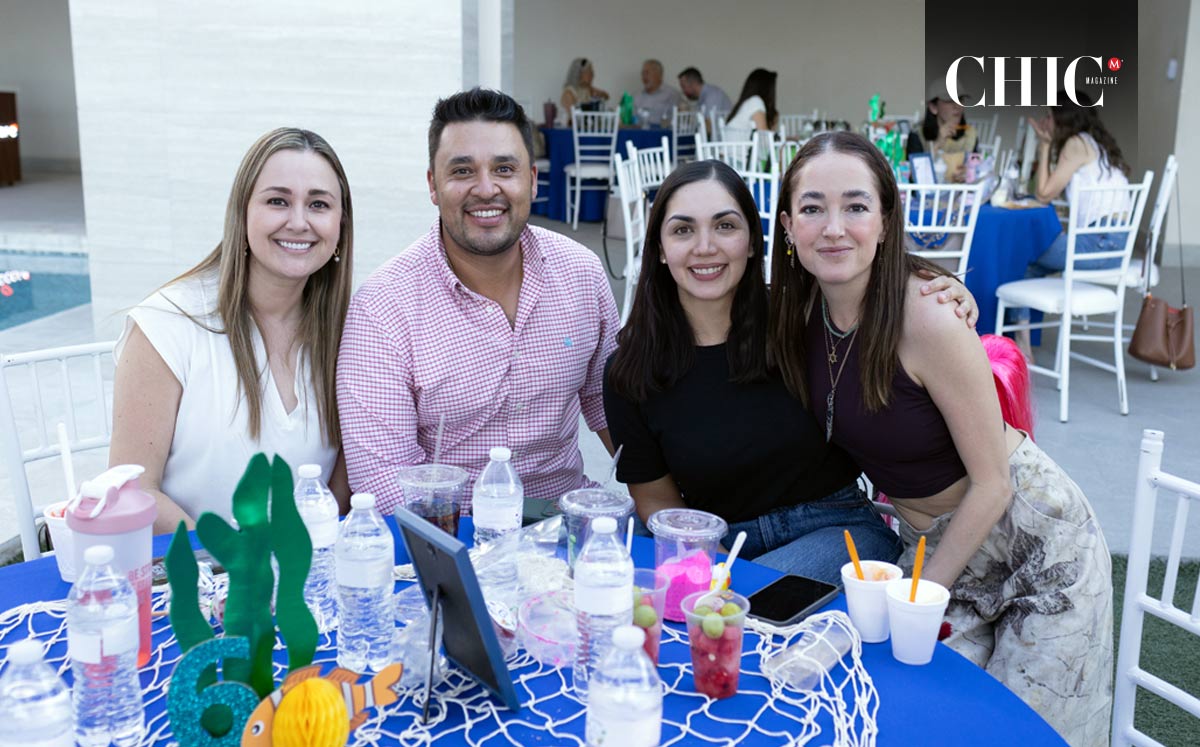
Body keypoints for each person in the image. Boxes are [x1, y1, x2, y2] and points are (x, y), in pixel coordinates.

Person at [768, 131, 1112, 746]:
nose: (834, 228)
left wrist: (917, 594)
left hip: (1037, 546)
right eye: (813, 208)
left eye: (855, 206)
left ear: (885, 220)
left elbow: (993, 484)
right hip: (931, 545)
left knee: (1020, 734)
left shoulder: (926, 313)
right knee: (905, 715)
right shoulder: (798, 315)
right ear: (789, 226)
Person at [603, 160, 979, 585]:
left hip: (835, 528)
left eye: (725, 226)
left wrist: (945, 291)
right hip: (716, 534)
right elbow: (656, 500)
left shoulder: (801, 318)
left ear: (751, 242)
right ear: (659, 248)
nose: (705, 247)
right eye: (683, 230)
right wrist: (717, 566)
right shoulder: (631, 370)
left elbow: (872, 280)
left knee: (746, 603)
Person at [337, 89, 619, 514]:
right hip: (450, 534)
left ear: (532, 180)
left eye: (504, 169)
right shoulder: (384, 307)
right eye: (462, 171)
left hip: (566, 525)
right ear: (433, 185)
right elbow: (385, 482)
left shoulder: (581, 273)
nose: (486, 189)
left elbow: (608, 403)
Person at [110, 128, 353, 534]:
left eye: (318, 204)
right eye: (277, 201)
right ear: (241, 213)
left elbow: (343, 485)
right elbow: (132, 489)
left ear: (340, 225)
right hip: (193, 565)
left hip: (306, 564)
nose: (299, 222)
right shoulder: (167, 323)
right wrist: (232, 558)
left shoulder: (351, 330)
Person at [1012, 91, 1133, 358]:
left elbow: (1043, 194)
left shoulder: (1076, 143)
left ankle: (1021, 343)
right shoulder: (1094, 143)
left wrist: (1044, 146)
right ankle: (1023, 341)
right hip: (1111, 243)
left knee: (1019, 256)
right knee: (1029, 265)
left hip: (1099, 244)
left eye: (1049, 115)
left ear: (1063, 117)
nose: (1046, 121)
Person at [905, 82, 977, 182]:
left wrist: (969, 174)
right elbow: (913, 178)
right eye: (950, 100)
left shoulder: (970, 134)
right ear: (933, 107)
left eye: (960, 99)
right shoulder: (917, 135)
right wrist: (938, 144)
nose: (957, 105)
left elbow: (976, 168)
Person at [722, 68, 778, 143]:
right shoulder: (756, 102)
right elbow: (764, 139)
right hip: (740, 150)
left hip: (731, 149)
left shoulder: (747, 102)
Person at [633, 59, 683, 128]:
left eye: (647, 73)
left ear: (659, 75)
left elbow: (679, 119)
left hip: (664, 132)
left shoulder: (672, 94)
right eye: (642, 73)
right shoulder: (637, 96)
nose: (644, 77)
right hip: (639, 132)